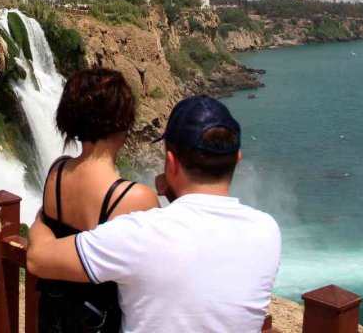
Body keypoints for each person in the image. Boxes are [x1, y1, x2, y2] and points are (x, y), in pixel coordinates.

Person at [27, 95, 281, 333]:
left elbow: (38, 259)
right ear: (237, 158)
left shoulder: (138, 234)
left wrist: (42, 220)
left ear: (171, 162)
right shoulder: (267, 231)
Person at [36, 68, 159, 333]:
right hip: (103, 324)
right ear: (123, 122)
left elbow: (46, 224)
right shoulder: (136, 198)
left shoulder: (57, 172)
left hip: (56, 319)